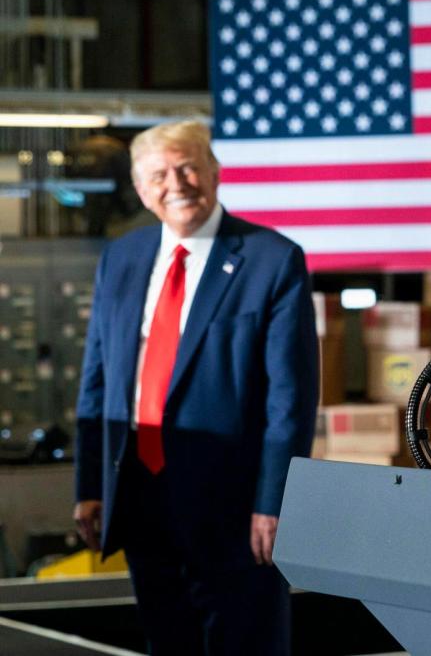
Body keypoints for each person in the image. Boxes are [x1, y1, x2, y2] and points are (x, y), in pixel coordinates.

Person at [73, 121, 319, 655]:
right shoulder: (121, 258)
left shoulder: (273, 260)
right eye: (159, 174)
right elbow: (98, 380)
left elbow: (290, 400)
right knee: (168, 643)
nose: (177, 182)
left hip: (236, 511)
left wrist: (276, 501)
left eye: (188, 167)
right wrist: (90, 484)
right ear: (141, 189)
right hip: (140, 496)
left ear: (215, 173)